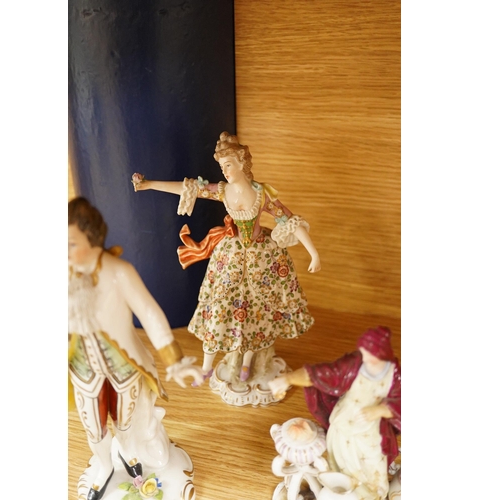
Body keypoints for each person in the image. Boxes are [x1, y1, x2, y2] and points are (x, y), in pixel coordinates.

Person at [132, 131, 321, 385]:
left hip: (262, 257)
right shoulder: (223, 191)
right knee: (222, 303)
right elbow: (189, 188)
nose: (225, 171)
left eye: (229, 165)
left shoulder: (261, 195)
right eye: (222, 167)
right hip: (231, 255)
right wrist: (149, 184)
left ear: (242, 163)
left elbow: (288, 219)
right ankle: (210, 364)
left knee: (258, 308)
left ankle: (248, 360)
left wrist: (313, 253)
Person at [68, 197, 203, 500]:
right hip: (84, 370)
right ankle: (104, 467)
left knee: (126, 422)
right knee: (94, 429)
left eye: (70, 244)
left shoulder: (119, 272)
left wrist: (175, 361)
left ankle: (130, 457)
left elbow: (150, 314)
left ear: (92, 237)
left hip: (123, 367)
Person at [268, 326, 401, 500]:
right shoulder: (355, 364)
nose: (366, 360)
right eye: (364, 354)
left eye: (371, 356)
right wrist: (288, 379)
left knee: (373, 462)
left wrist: (380, 410)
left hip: (372, 430)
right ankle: (343, 491)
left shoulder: (395, 375)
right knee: (341, 459)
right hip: (344, 422)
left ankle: (372, 496)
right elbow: (322, 373)